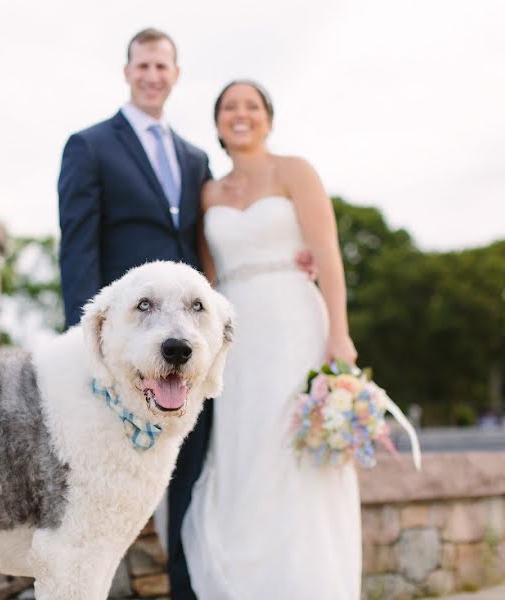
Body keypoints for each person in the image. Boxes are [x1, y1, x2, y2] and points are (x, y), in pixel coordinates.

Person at [181, 80, 362, 599]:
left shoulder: (295, 171)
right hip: (235, 337)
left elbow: (327, 254)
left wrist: (340, 335)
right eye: (229, 107)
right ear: (217, 123)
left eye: (251, 106)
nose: (241, 115)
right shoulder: (208, 193)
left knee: (294, 451)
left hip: (294, 325)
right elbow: (207, 280)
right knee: (243, 451)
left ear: (269, 118)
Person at [57, 28, 212, 599]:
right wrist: (87, 343)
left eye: (162, 66)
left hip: (188, 347)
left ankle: (183, 591)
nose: (152, 75)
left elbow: (204, 244)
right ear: (128, 71)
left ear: (175, 74)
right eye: (143, 65)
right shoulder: (90, 145)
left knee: (188, 473)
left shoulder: (196, 159)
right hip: (127, 354)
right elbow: (78, 246)